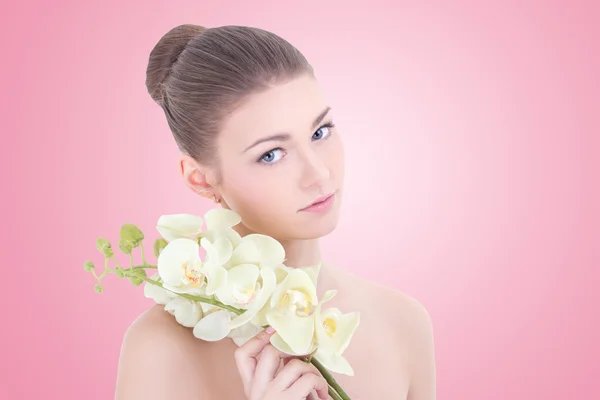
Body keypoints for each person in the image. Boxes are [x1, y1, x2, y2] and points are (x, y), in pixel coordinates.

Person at [115, 24, 436, 400]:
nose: (319, 173)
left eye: (320, 132)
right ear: (201, 179)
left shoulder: (403, 324)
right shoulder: (161, 351)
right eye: (271, 154)